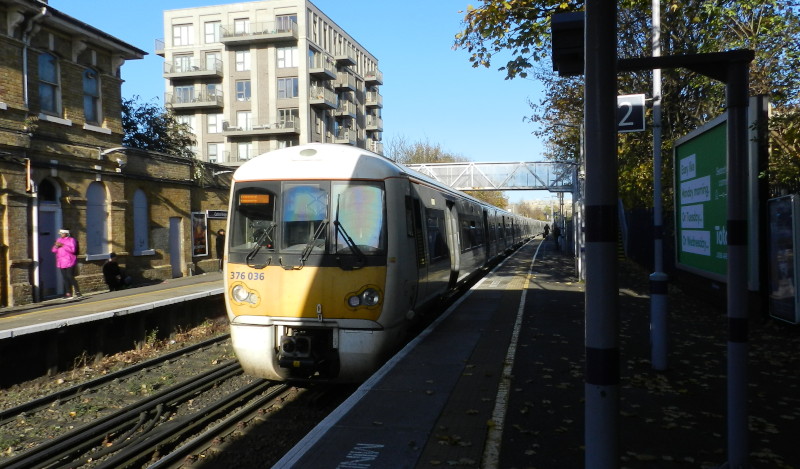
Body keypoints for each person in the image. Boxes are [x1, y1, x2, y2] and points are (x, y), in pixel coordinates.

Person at [52, 229, 81, 298]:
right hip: (61, 261)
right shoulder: (58, 240)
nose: (61, 235)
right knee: (65, 277)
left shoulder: (71, 240)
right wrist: (56, 246)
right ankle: (68, 293)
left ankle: (77, 291)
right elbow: (53, 250)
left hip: (69, 260)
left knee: (70, 276)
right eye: (60, 233)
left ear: (66, 233)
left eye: (62, 233)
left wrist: (63, 245)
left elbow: (72, 250)